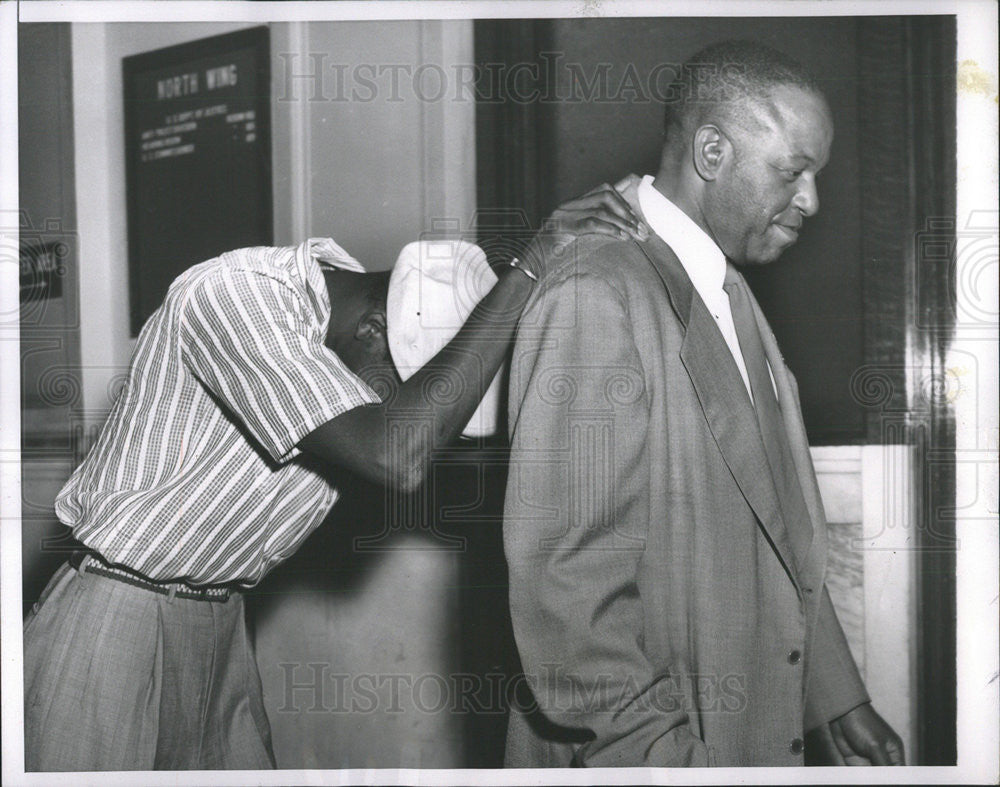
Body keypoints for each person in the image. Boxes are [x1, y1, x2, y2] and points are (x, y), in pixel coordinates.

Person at [22, 182, 648, 771]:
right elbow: (395, 454)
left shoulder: (342, 328)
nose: (405, 410)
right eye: (401, 390)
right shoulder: (233, 294)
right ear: (373, 328)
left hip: (219, 621)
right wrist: (530, 269)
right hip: (117, 613)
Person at [501, 40, 905, 767]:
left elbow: (780, 526)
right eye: (795, 170)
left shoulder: (729, 290)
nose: (812, 200)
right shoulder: (595, 291)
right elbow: (567, 592)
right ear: (713, 151)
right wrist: (666, 760)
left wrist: (838, 698)